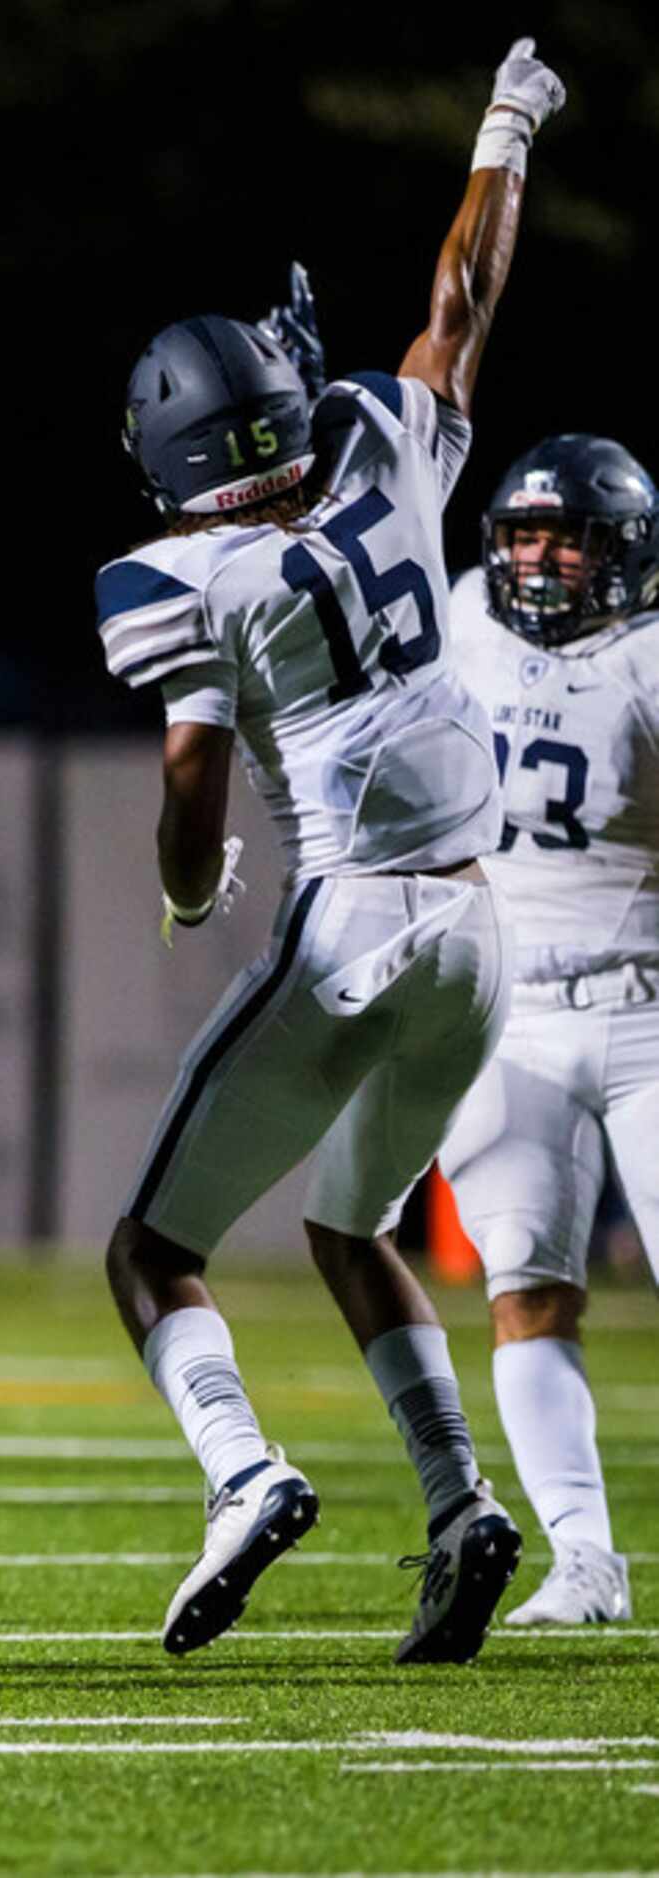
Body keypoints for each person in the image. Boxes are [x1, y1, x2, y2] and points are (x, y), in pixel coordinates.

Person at [89, 37, 563, 1666]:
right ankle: (460, 1503)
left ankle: (244, 1470)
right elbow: (461, 301)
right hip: (481, 934)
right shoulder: (389, 446)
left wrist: (180, 883)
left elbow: (192, 773)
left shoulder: (178, 576)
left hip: (353, 920)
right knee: (353, 1224)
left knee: (150, 1248)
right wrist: (505, 125)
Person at [438, 433, 659, 1625]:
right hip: (512, 1010)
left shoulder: (652, 657)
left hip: (648, 1012)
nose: (536, 558)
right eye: (521, 533)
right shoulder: (469, 615)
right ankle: (587, 1563)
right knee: (525, 1283)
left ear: (618, 551)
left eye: (562, 537)